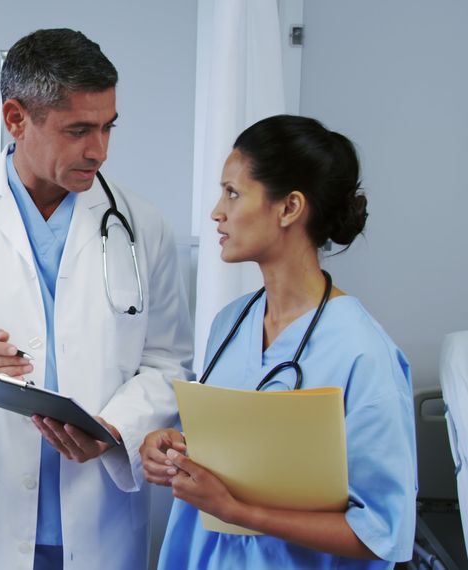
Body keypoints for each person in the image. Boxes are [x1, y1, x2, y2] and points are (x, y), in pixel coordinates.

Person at [0, 28, 193, 570]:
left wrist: (115, 428)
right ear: (15, 118)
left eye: (107, 128)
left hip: (99, 509)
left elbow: (169, 361)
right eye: (78, 131)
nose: (99, 150)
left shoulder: (144, 227)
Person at [142, 115, 416, 569]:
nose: (216, 211)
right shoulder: (233, 322)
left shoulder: (363, 353)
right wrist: (174, 447)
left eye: (233, 192)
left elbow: (382, 533)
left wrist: (238, 511)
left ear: (289, 208)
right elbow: (238, 451)